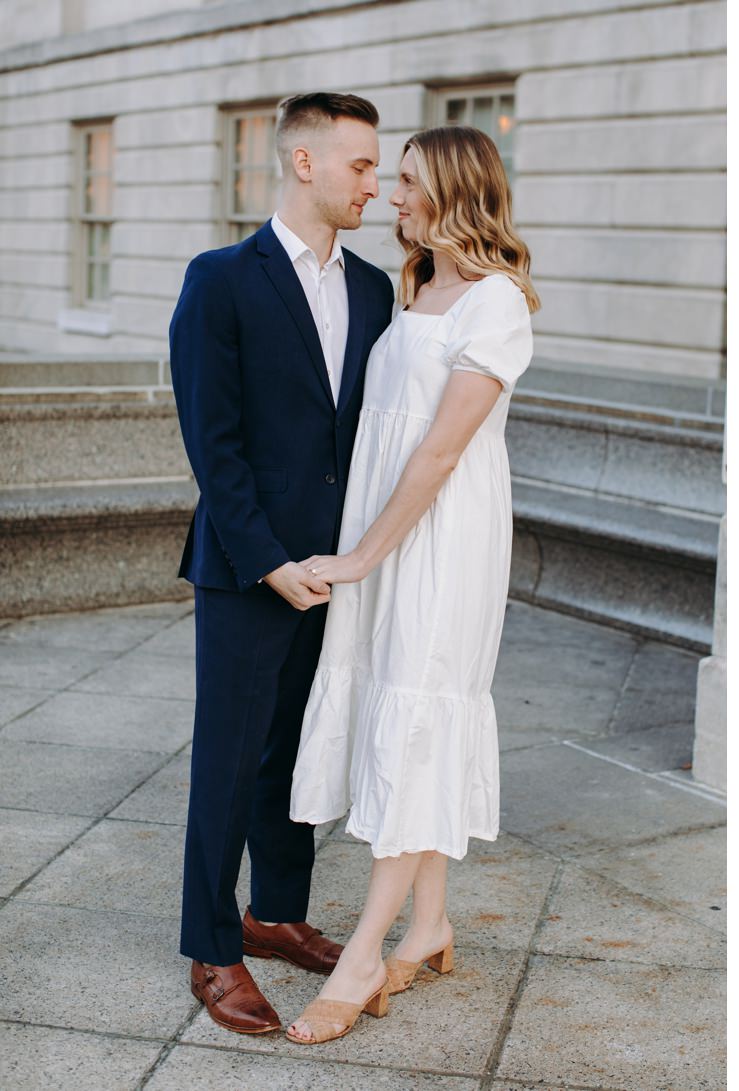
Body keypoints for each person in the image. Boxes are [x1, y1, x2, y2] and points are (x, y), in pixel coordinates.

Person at [278, 124, 540, 1044]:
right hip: (381, 526)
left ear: (456, 193)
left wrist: (359, 558)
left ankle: (363, 952)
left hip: (442, 537)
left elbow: (438, 453)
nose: (394, 199)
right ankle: (430, 926)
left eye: (411, 186)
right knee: (399, 705)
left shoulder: (498, 302)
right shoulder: (418, 284)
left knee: (420, 710)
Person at [168, 92, 393, 1034]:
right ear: (305, 163)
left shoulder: (379, 288)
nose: (375, 185)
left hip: (339, 569)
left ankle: (278, 912)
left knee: (300, 749)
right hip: (245, 564)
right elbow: (211, 442)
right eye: (362, 167)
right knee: (226, 760)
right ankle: (214, 947)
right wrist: (268, 561)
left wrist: (351, 561)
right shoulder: (220, 278)